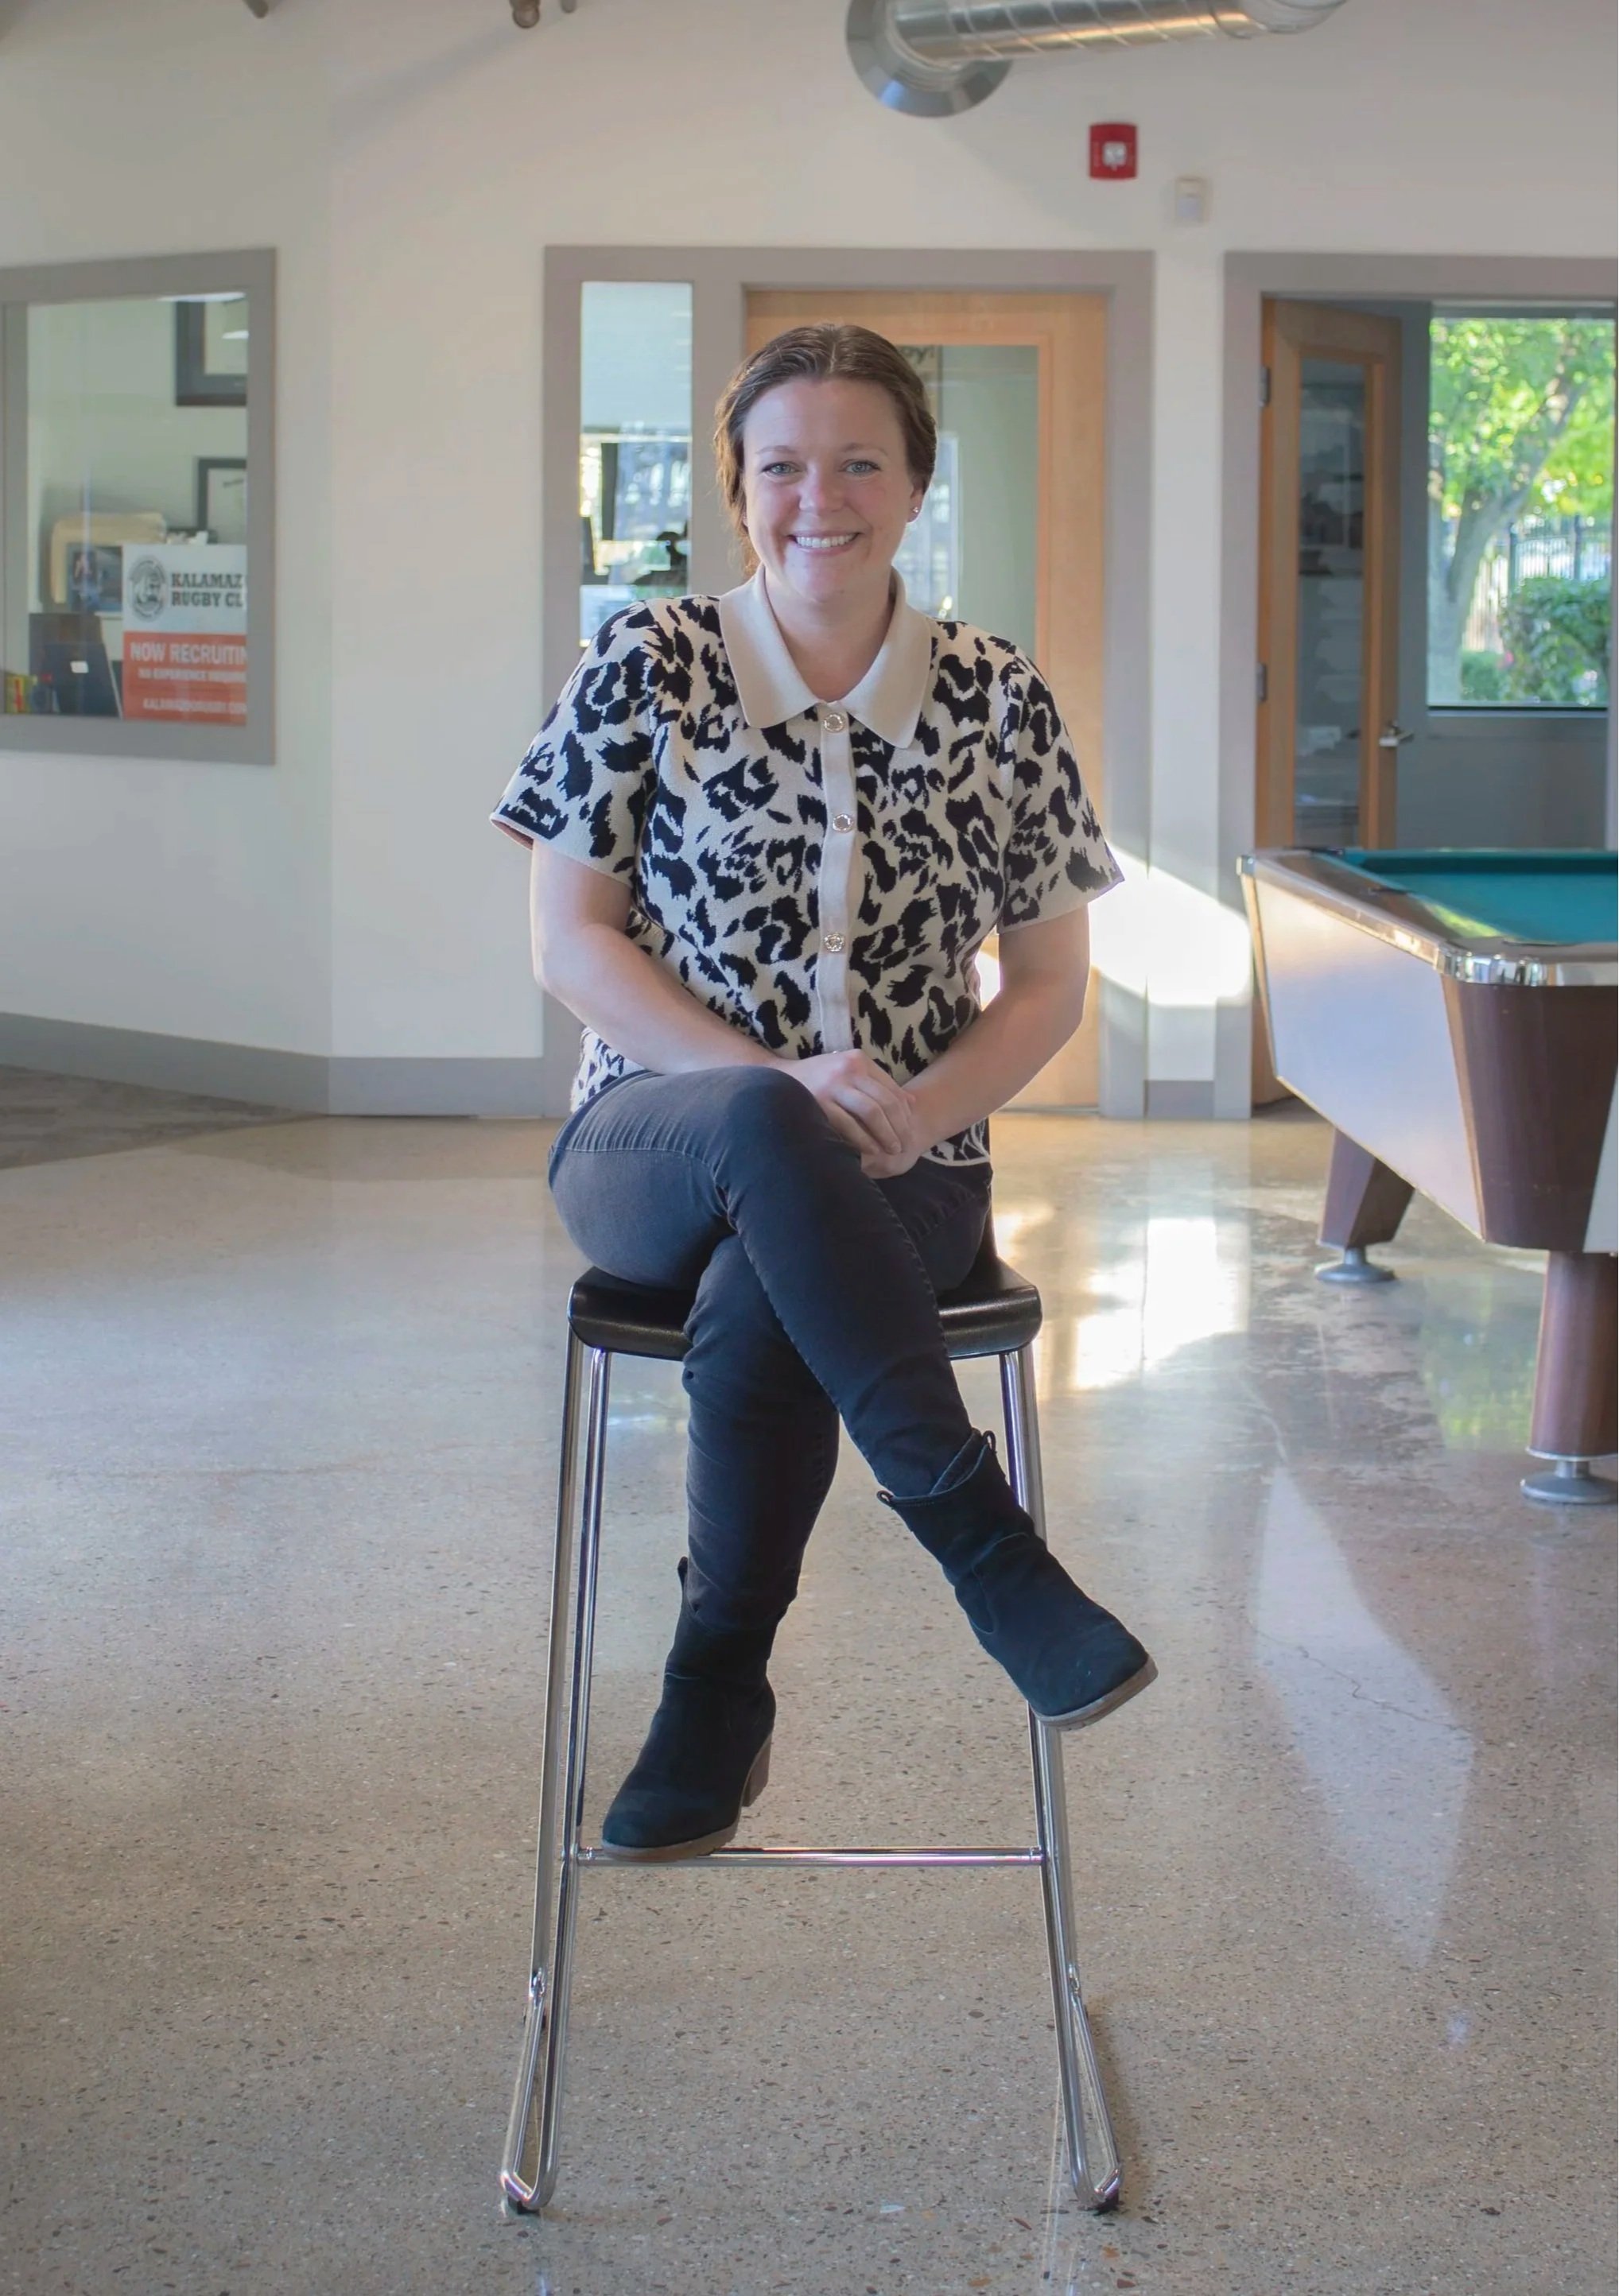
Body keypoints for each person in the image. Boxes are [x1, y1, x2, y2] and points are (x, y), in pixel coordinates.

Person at [492, 324, 1154, 1862]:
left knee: (767, 1286)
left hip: (910, 1177)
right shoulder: (646, 662)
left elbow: (1050, 984)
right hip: (652, 1143)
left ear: (915, 482)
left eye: (861, 461)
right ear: (739, 488)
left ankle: (715, 1686)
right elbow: (569, 943)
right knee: (764, 1138)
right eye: (782, 465)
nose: (820, 497)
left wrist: (921, 1111)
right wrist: (780, 1085)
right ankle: (985, 1549)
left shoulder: (999, 696)